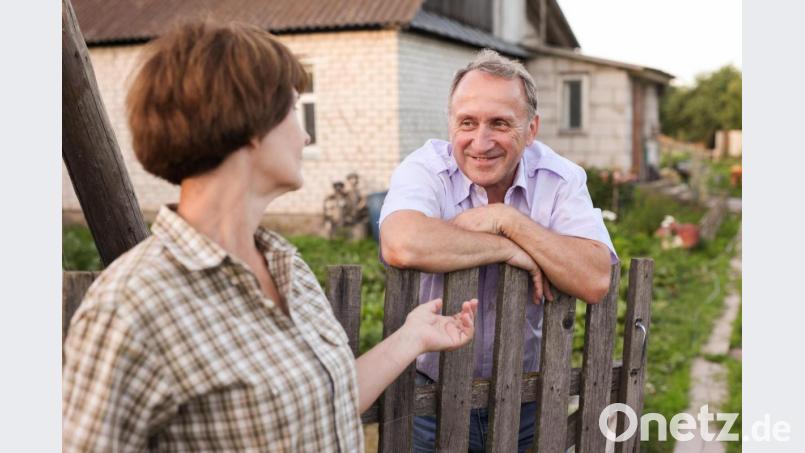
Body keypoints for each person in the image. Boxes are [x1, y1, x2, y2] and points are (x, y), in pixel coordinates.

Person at [61, 21, 478, 452]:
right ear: (247, 123)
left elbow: (324, 405)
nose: (306, 134)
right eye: (295, 110)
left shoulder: (286, 266)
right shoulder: (129, 307)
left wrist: (413, 337)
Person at [379, 49, 618, 452]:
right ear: (451, 124)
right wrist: (509, 250)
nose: (481, 141)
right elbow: (402, 243)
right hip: (428, 394)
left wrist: (507, 219)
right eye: (467, 123)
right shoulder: (425, 169)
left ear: (531, 128)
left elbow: (594, 278)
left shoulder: (558, 179)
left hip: (524, 392)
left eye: (500, 124)